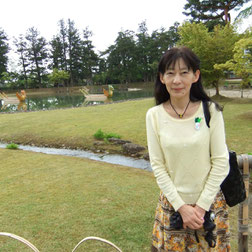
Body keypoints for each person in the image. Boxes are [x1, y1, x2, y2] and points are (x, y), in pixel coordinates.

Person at [146, 47, 231, 251]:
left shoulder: (211, 111)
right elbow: (158, 165)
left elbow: (221, 162)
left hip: (210, 205)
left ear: (195, 76)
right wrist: (182, 208)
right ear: (162, 77)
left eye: (184, 72)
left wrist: (200, 208)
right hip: (173, 207)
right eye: (170, 73)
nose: (177, 80)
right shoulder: (154, 116)